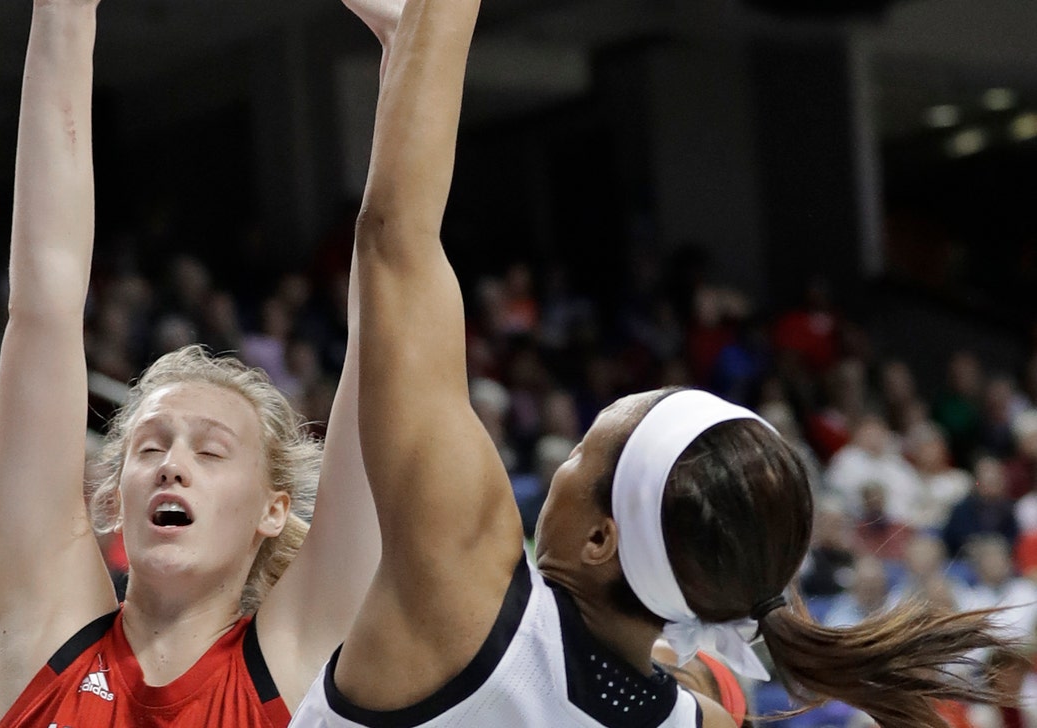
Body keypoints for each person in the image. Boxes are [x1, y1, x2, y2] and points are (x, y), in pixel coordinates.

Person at [290, 0, 1015, 725]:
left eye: (583, 450)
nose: (564, 463)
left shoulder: (469, 600)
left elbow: (395, 242)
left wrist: (437, 20)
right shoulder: (706, 718)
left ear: (602, 538)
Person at [0, 0, 379, 725]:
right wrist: (63, 15)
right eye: (151, 447)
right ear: (112, 499)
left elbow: (389, 340)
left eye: (212, 451)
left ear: (273, 510)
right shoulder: (41, 640)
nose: (171, 464)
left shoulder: (297, 665)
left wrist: (410, 53)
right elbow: (43, 306)